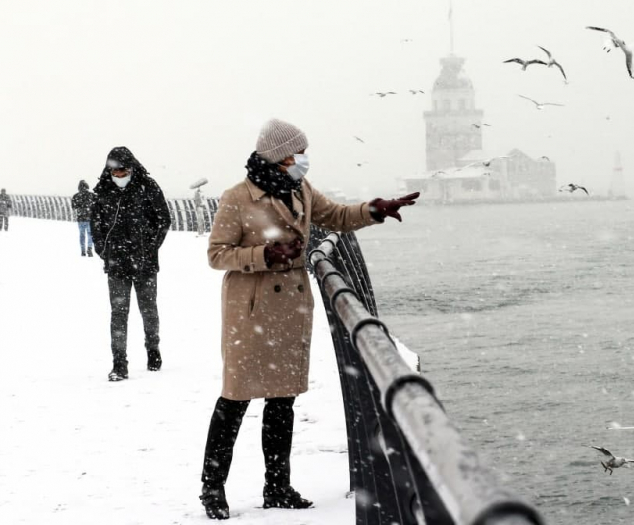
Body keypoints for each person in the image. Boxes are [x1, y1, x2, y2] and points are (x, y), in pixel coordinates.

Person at [199, 119, 419, 520]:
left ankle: (277, 486)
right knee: (235, 400)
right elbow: (217, 254)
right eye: (296, 153)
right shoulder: (238, 198)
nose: (303, 160)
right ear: (277, 156)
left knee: (282, 400)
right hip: (250, 313)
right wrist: (264, 256)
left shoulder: (300, 189)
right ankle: (212, 488)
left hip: (289, 312)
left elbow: (335, 216)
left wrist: (374, 209)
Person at [90, 147, 171, 382]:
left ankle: (153, 349)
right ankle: (119, 363)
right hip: (116, 263)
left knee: (149, 310)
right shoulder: (102, 192)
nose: (118, 175)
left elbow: (163, 219)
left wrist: (151, 246)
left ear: (132, 168)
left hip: (145, 263)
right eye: (114, 171)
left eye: (123, 171)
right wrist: (103, 250)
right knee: (118, 313)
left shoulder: (148, 187)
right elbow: (96, 224)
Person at [72, 180, 96, 256]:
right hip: (89, 218)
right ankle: (89, 248)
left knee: (82, 235)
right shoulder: (92, 195)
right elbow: (96, 205)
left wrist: (80, 208)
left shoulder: (76, 196)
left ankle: (82, 250)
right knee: (90, 234)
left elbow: (74, 207)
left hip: (81, 219)